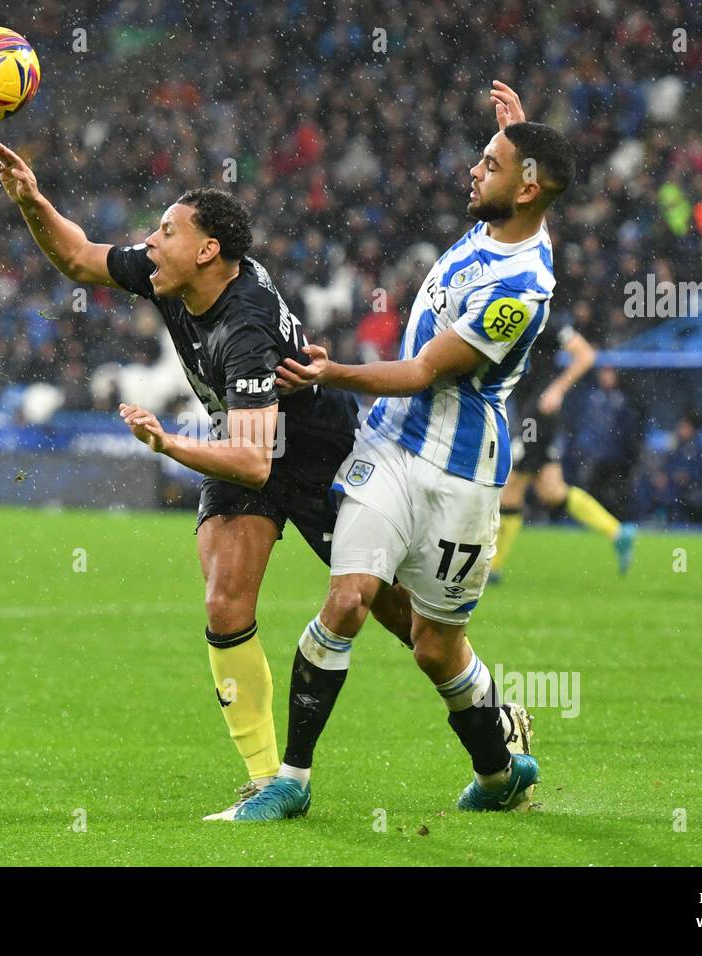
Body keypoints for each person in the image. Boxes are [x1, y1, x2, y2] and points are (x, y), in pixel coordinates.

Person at [0, 146, 413, 817]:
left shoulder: (244, 326)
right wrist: (31, 201)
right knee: (224, 604)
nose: (151, 243)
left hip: (317, 453)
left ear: (209, 250)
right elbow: (79, 258)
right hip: (246, 439)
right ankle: (272, 781)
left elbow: (253, 462)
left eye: (166, 232)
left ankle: (479, 707)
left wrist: (166, 444)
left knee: (390, 608)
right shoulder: (173, 278)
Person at [229, 83, 573, 820]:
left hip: (462, 478)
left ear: (528, 185)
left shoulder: (523, 289)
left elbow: (420, 373)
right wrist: (516, 132)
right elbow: (529, 193)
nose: (473, 171)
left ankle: (496, 774)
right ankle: (291, 779)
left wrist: (332, 372)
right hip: (385, 448)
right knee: (347, 599)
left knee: (433, 647)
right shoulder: (508, 225)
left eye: (490, 162)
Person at [490, 319, 636, 584]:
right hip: (529, 414)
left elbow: (586, 355)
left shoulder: (545, 320)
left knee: (510, 488)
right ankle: (618, 532)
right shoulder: (513, 317)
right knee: (552, 491)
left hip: (538, 418)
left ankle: (494, 569)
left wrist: (556, 389)